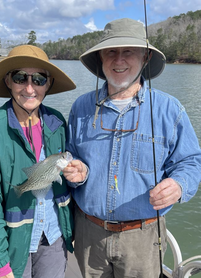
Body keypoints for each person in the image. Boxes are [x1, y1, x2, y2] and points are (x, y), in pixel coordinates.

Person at [62, 18, 201, 278]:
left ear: (145, 57)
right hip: (88, 233)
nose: (119, 60)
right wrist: (77, 171)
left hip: (143, 237)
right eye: (111, 52)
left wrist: (179, 185)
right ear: (100, 59)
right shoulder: (80, 107)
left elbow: (191, 161)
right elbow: (71, 157)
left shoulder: (170, 109)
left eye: (128, 52)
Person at [0, 45, 76, 278]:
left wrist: (79, 175)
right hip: (13, 242)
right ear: (8, 81)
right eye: (20, 77)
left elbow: (65, 179)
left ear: (48, 84)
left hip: (53, 235)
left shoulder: (57, 122)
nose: (30, 88)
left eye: (39, 79)